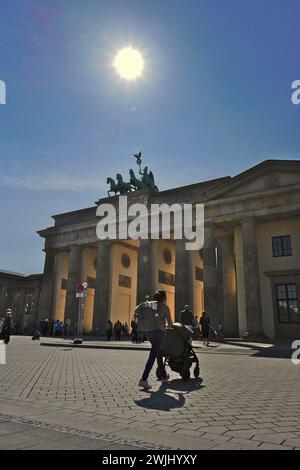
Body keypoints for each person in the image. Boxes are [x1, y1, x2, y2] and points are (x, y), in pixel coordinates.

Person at [136, 290, 173, 390]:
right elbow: (170, 323)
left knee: (158, 352)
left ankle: (163, 375)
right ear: (163, 298)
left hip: (148, 332)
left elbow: (137, 310)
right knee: (153, 354)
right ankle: (143, 379)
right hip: (158, 332)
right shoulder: (164, 307)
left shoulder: (148, 305)